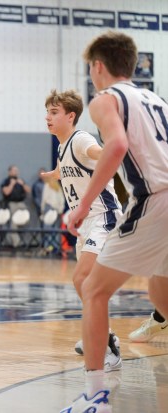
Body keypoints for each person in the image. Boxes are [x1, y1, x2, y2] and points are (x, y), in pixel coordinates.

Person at [61, 31, 168, 413]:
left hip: (156, 200)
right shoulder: (156, 98)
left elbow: (118, 146)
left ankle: (95, 396)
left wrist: (82, 203)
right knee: (160, 293)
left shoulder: (105, 100)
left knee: (93, 290)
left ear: (98, 66)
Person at [43, 89, 122, 370]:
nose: (48, 118)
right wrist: (53, 174)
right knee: (87, 284)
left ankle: (108, 342)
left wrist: (110, 148)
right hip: (85, 222)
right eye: (48, 112)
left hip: (103, 216)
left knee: (83, 279)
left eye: (54, 113)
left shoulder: (81, 140)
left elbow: (98, 153)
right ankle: (99, 334)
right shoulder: (63, 147)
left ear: (71, 116)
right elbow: (66, 169)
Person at [0, 165, 30, 247]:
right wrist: (12, 184)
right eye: (14, 170)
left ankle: (22, 240)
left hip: (21, 203)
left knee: (25, 221)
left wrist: (23, 184)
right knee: (13, 224)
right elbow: (6, 192)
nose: (16, 172)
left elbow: (28, 190)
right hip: (12, 203)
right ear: (10, 172)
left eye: (17, 170)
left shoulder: (20, 181)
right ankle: (17, 243)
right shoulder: (6, 181)